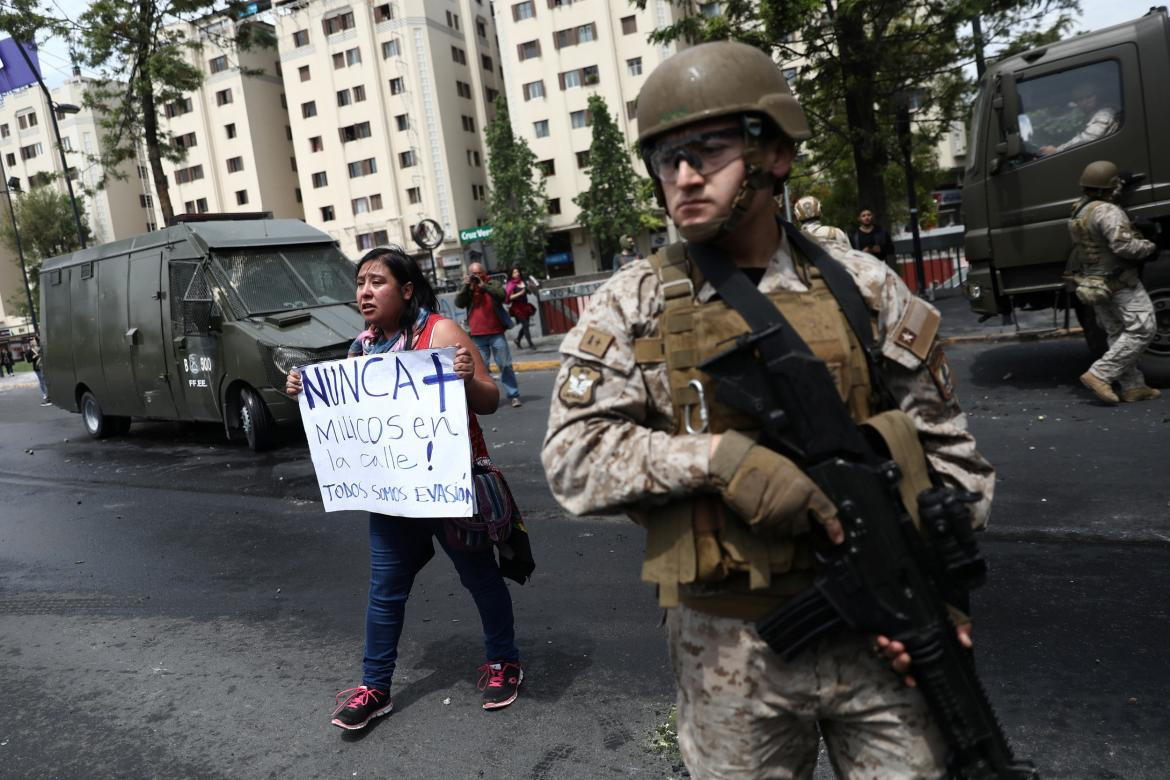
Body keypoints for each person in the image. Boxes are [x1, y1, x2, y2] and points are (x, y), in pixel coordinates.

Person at [541, 40, 995, 778]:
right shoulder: (634, 302)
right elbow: (571, 461)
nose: (683, 178)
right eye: (666, 159)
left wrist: (929, 586)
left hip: (884, 642)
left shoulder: (864, 287)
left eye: (708, 151)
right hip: (728, 648)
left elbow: (953, 457)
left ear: (776, 153)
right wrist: (717, 462)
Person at [286, 246, 524, 730]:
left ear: (406, 289)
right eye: (360, 284)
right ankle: (375, 687)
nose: (365, 292)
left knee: (479, 577)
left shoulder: (441, 332)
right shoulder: (361, 348)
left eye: (377, 282)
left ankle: (504, 662)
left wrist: (464, 379)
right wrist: (305, 392)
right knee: (385, 590)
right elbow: (351, 419)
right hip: (394, 496)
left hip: (449, 488)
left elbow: (491, 398)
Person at [1068, 160, 1160, 404]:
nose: (1120, 186)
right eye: (1116, 183)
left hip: (1094, 283)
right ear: (1109, 186)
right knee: (1143, 328)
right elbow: (1123, 246)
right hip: (1120, 281)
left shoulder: (1079, 210)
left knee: (1117, 333)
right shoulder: (1107, 211)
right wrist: (1150, 245)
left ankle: (1133, 387)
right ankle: (1100, 374)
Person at [456, 262, 522, 408]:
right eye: (474, 273)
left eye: (479, 273)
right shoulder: (469, 288)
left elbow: (502, 296)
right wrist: (467, 286)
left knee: (505, 365)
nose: (476, 276)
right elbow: (459, 303)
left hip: (496, 332)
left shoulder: (492, 284)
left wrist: (483, 285)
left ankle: (514, 395)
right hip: (477, 335)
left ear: (484, 273)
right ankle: (488, 398)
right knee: (482, 368)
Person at [1038, 85, 1119, 156]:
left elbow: (1088, 138)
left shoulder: (1105, 113)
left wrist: (1057, 151)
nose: (1085, 101)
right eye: (1080, 99)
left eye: (1089, 96)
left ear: (1097, 96)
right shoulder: (1088, 115)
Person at [849, 207, 897, 271]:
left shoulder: (881, 231)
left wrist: (880, 249)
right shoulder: (854, 235)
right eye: (863, 216)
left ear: (872, 216)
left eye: (869, 215)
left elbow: (891, 249)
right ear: (859, 218)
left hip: (880, 267)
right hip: (862, 268)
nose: (866, 217)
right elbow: (849, 253)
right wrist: (862, 253)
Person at [505, 266, 537, 350]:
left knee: (525, 325)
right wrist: (520, 293)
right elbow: (509, 297)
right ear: (511, 275)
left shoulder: (523, 282)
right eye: (515, 272)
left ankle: (517, 339)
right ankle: (531, 344)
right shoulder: (511, 284)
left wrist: (531, 288)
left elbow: (529, 293)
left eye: (518, 272)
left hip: (525, 306)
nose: (517, 274)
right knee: (525, 325)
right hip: (517, 307)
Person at [27, 338, 48, 404]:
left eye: (34, 341)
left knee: (45, 379)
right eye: (32, 342)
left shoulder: (39, 348)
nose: (33, 343)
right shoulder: (29, 352)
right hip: (37, 368)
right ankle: (45, 393)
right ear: (30, 344)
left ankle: (48, 393)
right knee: (41, 380)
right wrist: (33, 357)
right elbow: (29, 360)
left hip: (44, 366)